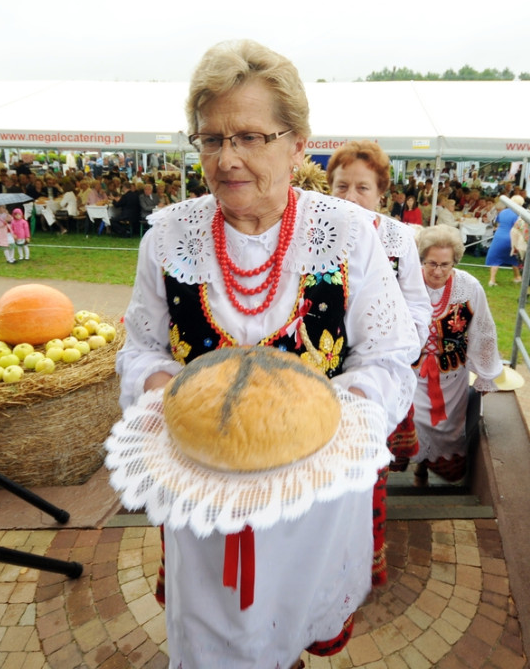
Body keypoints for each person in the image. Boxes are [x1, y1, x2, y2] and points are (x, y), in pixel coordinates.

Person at [114, 39, 419, 668]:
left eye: (251, 136)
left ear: (297, 142)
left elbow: (388, 356)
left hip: (312, 498)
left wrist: (338, 416)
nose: (227, 159)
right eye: (211, 139)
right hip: (205, 501)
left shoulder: (346, 235)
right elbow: (140, 348)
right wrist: (167, 395)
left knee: (290, 628)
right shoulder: (168, 236)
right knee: (213, 639)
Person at [326, 139, 431, 585]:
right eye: (341, 185)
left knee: (362, 468)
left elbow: (417, 305)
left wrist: (398, 353)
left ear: (381, 193)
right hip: (323, 372)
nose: (350, 197)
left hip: (371, 376)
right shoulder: (312, 230)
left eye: (362, 188)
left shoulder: (398, 237)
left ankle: (352, 563)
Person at [411, 226, 502, 487]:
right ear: (421, 260)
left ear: (455, 262)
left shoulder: (469, 287)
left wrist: (485, 375)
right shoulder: (407, 282)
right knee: (414, 421)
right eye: (431, 264)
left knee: (447, 430)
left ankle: (427, 469)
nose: (438, 271)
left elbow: (483, 329)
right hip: (412, 372)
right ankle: (418, 466)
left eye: (445, 264)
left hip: (451, 376)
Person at [485, 195, 525, 287]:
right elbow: (520, 228)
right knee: (515, 257)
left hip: (499, 236)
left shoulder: (502, 212)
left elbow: (498, 223)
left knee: (496, 258)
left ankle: (492, 280)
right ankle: (517, 277)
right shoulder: (520, 214)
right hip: (512, 237)